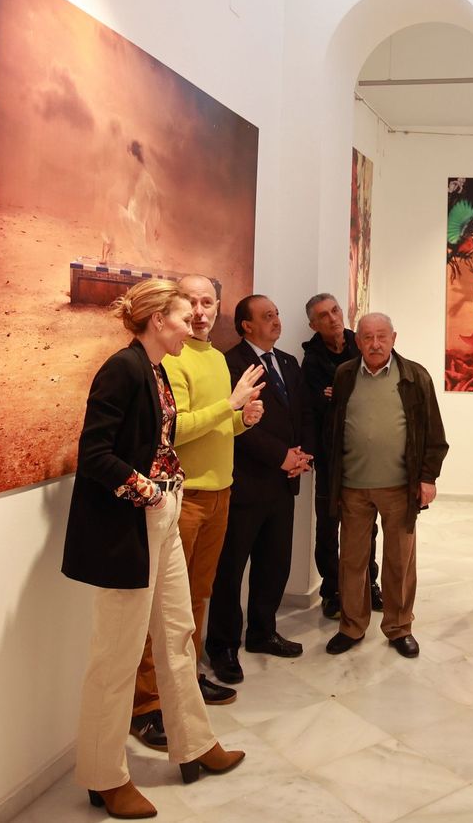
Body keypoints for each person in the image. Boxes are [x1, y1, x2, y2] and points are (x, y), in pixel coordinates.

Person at [62, 279, 245, 819]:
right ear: (155, 318)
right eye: (185, 315)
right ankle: (103, 774)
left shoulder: (157, 370)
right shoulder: (123, 368)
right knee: (116, 657)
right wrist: (144, 488)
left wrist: (166, 485)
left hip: (160, 517)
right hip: (129, 526)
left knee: (177, 632)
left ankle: (193, 742)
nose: (194, 324)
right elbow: (94, 452)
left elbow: (157, 441)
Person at [127, 274, 265, 751]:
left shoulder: (215, 358)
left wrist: (241, 421)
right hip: (183, 498)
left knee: (196, 598)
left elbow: (218, 429)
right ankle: (146, 705)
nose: (201, 312)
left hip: (221, 492)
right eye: (192, 302)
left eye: (208, 302)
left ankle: (183, 682)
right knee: (161, 604)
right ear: (175, 306)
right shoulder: (169, 358)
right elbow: (175, 431)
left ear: (219, 307)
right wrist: (230, 406)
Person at [324, 312, 448, 659]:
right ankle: (351, 626)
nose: (375, 344)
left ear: (394, 338)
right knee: (351, 560)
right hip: (352, 487)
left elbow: (434, 434)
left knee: (400, 561)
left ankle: (398, 627)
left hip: (399, 488)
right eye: (367, 337)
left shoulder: (414, 376)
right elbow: (334, 429)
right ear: (358, 341)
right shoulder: (346, 374)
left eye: (382, 337)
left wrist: (428, 477)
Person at [206, 294, 313, 685]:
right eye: (266, 316)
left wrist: (302, 456)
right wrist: (280, 456)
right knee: (231, 570)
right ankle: (223, 646)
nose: (276, 321)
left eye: (277, 314)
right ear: (246, 325)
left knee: (274, 564)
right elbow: (236, 424)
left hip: (284, 485)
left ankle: (263, 632)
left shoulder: (287, 363)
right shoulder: (229, 363)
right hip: (245, 485)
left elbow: (303, 413)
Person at [299, 292, 380, 620]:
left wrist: (340, 393)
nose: (333, 318)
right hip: (330, 456)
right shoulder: (311, 360)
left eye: (335, 311)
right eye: (324, 315)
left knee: (367, 524)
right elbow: (311, 406)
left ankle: (368, 584)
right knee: (328, 524)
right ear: (313, 324)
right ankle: (332, 588)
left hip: (364, 453)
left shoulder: (360, 344)